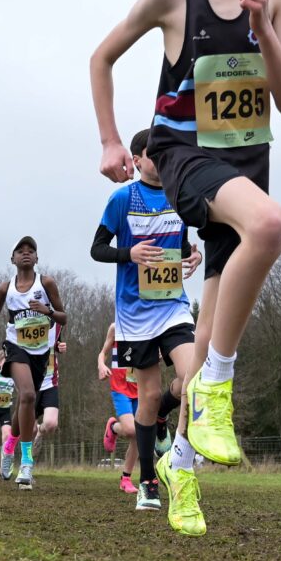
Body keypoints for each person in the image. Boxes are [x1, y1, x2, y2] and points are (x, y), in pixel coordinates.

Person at [89, 0, 281, 535]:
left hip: (246, 167)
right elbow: (101, 57)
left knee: (204, 335)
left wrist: (263, 26)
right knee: (271, 227)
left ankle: (179, 467)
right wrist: (111, 141)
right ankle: (216, 388)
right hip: (184, 157)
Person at [90, 128, 202, 512]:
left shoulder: (178, 194)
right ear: (137, 160)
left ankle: (173, 445)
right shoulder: (123, 198)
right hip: (135, 315)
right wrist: (130, 254)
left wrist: (192, 256)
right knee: (148, 396)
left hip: (173, 307)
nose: (163, 158)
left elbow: (180, 245)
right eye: (155, 153)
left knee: (194, 379)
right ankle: (148, 481)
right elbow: (97, 249)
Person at [0, 236, 66, 490]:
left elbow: (63, 317)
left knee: (25, 402)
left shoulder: (46, 283)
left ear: (37, 258)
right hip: (15, 347)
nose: (26, 253)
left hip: (41, 353)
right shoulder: (4, 289)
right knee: (28, 395)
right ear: (13, 259)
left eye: (31, 250)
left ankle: (10, 445)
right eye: (21, 250)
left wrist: (47, 311)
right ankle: (27, 462)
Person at [97, 323, 139, 494]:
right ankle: (114, 427)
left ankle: (126, 479)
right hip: (120, 388)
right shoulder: (116, 328)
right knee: (131, 430)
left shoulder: (150, 326)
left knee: (140, 433)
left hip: (142, 387)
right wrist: (101, 365)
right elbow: (103, 353)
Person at [33, 324, 67, 454]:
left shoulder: (55, 323)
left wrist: (60, 347)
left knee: (51, 424)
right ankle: (26, 460)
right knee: (29, 430)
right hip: (31, 383)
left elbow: (57, 343)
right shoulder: (25, 319)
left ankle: (40, 431)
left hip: (50, 382)